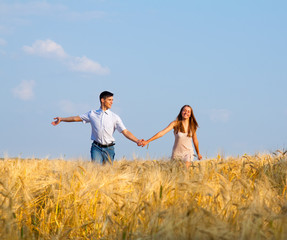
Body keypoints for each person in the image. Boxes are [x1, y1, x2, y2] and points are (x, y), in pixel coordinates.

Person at [52, 91, 142, 164]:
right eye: (110, 100)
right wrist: (62, 119)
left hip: (109, 149)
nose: (112, 102)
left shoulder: (115, 117)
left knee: (107, 174)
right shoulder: (92, 114)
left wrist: (137, 140)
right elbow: (76, 118)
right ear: (102, 100)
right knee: (96, 171)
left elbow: (125, 132)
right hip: (96, 148)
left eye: (112, 100)